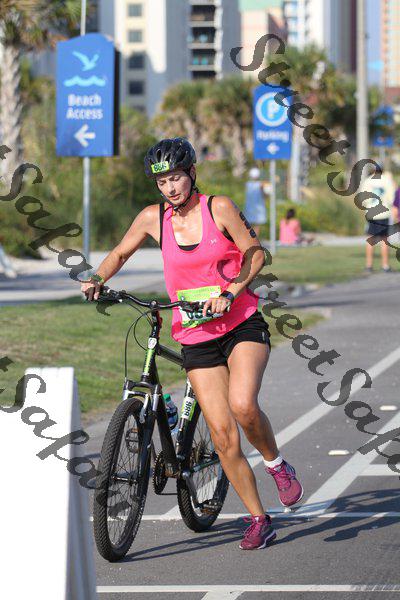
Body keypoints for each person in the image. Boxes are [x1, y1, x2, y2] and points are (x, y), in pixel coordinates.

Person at [80, 137, 303, 551]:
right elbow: (120, 253)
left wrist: (231, 291)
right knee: (222, 435)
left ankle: (276, 464)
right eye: (162, 181)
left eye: (176, 178)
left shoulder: (218, 208)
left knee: (243, 406)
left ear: (192, 174)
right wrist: (97, 278)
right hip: (196, 334)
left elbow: (255, 253)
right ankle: (259, 519)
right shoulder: (153, 218)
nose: (170, 187)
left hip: (239, 323)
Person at [361, 166, 396, 272]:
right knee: (384, 240)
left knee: (370, 239)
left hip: (371, 214)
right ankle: (385, 266)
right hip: (384, 214)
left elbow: (363, 199)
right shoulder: (387, 181)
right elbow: (392, 198)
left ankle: (369, 265)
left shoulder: (367, 181)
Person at [243, 167, 267, 238]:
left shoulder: (247, 184)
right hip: (258, 208)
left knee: (248, 225)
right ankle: (255, 240)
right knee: (257, 225)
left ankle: (249, 240)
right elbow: (264, 195)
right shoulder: (261, 185)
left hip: (249, 207)